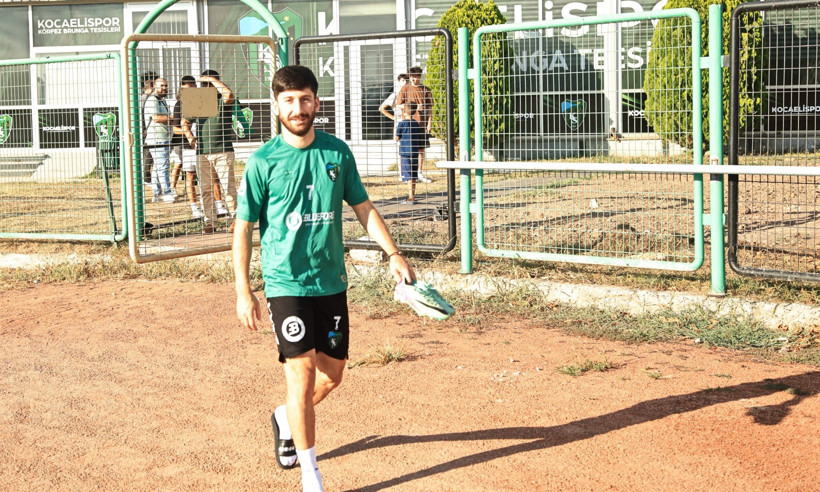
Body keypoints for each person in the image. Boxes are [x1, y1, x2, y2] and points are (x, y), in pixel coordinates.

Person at [233, 65, 415, 492]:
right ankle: (311, 474)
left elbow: (363, 208)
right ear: (277, 106)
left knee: (332, 375)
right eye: (289, 101)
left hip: (330, 281)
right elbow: (242, 227)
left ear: (316, 102)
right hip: (285, 283)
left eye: (304, 99)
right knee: (300, 371)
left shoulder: (337, 154)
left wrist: (393, 253)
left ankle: (284, 416)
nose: (298, 108)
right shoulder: (262, 162)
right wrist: (244, 290)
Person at [195, 69, 237, 234]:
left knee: (228, 188)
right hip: (202, 152)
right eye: (203, 84)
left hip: (223, 150)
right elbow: (184, 121)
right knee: (205, 188)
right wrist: (190, 136)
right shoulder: (198, 102)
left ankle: (235, 219)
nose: (205, 87)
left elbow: (229, 94)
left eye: (208, 84)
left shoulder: (223, 101)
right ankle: (210, 222)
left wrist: (212, 79)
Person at [170, 75, 202, 218]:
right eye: (185, 89)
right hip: (187, 146)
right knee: (190, 175)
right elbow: (175, 129)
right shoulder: (179, 105)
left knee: (207, 176)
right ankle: (194, 207)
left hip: (204, 145)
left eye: (192, 87)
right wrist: (188, 131)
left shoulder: (203, 100)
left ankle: (212, 205)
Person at [395, 66, 433, 184]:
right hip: (408, 125)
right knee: (406, 149)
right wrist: (413, 107)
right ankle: (405, 174)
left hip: (421, 124)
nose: (413, 79)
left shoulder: (425, 89)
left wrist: (429, 122)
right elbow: (398, 105)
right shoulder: (405, 89)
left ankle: (419, 173)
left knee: (420, 149)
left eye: (416, 77)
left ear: (419, 77)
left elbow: (430, 108)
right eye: (411, 77)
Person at [143, 77, 174, 203]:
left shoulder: (162, 101)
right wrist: (172, 118)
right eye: (161, 86)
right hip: (156, 139)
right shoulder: (153, 100)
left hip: (164, 138)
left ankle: (156, 193)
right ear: (155, 86)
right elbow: (156, 118)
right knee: (163, 167)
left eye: (166, 85)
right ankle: (166, 192)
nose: (164, 88)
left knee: (157, 166)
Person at [395, 101, 424, 203]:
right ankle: (413, 194)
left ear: (404, 111)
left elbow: (397, 138)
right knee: (413, 174)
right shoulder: (416, 123)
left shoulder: (401, 124)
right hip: (414, 152)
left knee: (408, 174)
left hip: (405, 152)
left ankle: (410, 196)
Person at [139, 71, 158, 185]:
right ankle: (146, 177)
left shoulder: (142, 98)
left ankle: (147, 176)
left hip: (145, 129)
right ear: (151, 88)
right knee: (148, 154)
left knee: (148, 153)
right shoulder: (145, 99)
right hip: (146, 130)